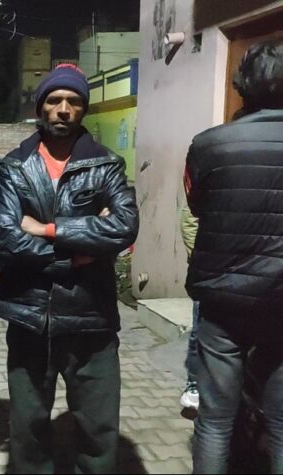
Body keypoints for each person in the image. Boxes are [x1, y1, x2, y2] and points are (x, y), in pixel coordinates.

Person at [0, 64, 139, 473]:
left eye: (73, 101)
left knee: (98, 432)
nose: (63, 109)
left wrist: (48, 229)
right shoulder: (15, 166)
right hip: (29, 319)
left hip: (92, 319)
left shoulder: (105, 164)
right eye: (54, 100)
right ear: (40, 107)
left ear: (83, 109)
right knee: (28, 431)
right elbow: (5, 237)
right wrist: (79, 252)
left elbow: (124, 226)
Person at [184, 40, 283, 474]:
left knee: (215, 421)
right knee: (281, 421)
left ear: (242, 86)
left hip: (223, 300)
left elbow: (197, 206)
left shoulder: (208, 144)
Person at [179, 205, 200, 411]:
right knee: (200, 331)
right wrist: (202, 257)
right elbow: (190, 219)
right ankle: (194, 385)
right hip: (211, 270)